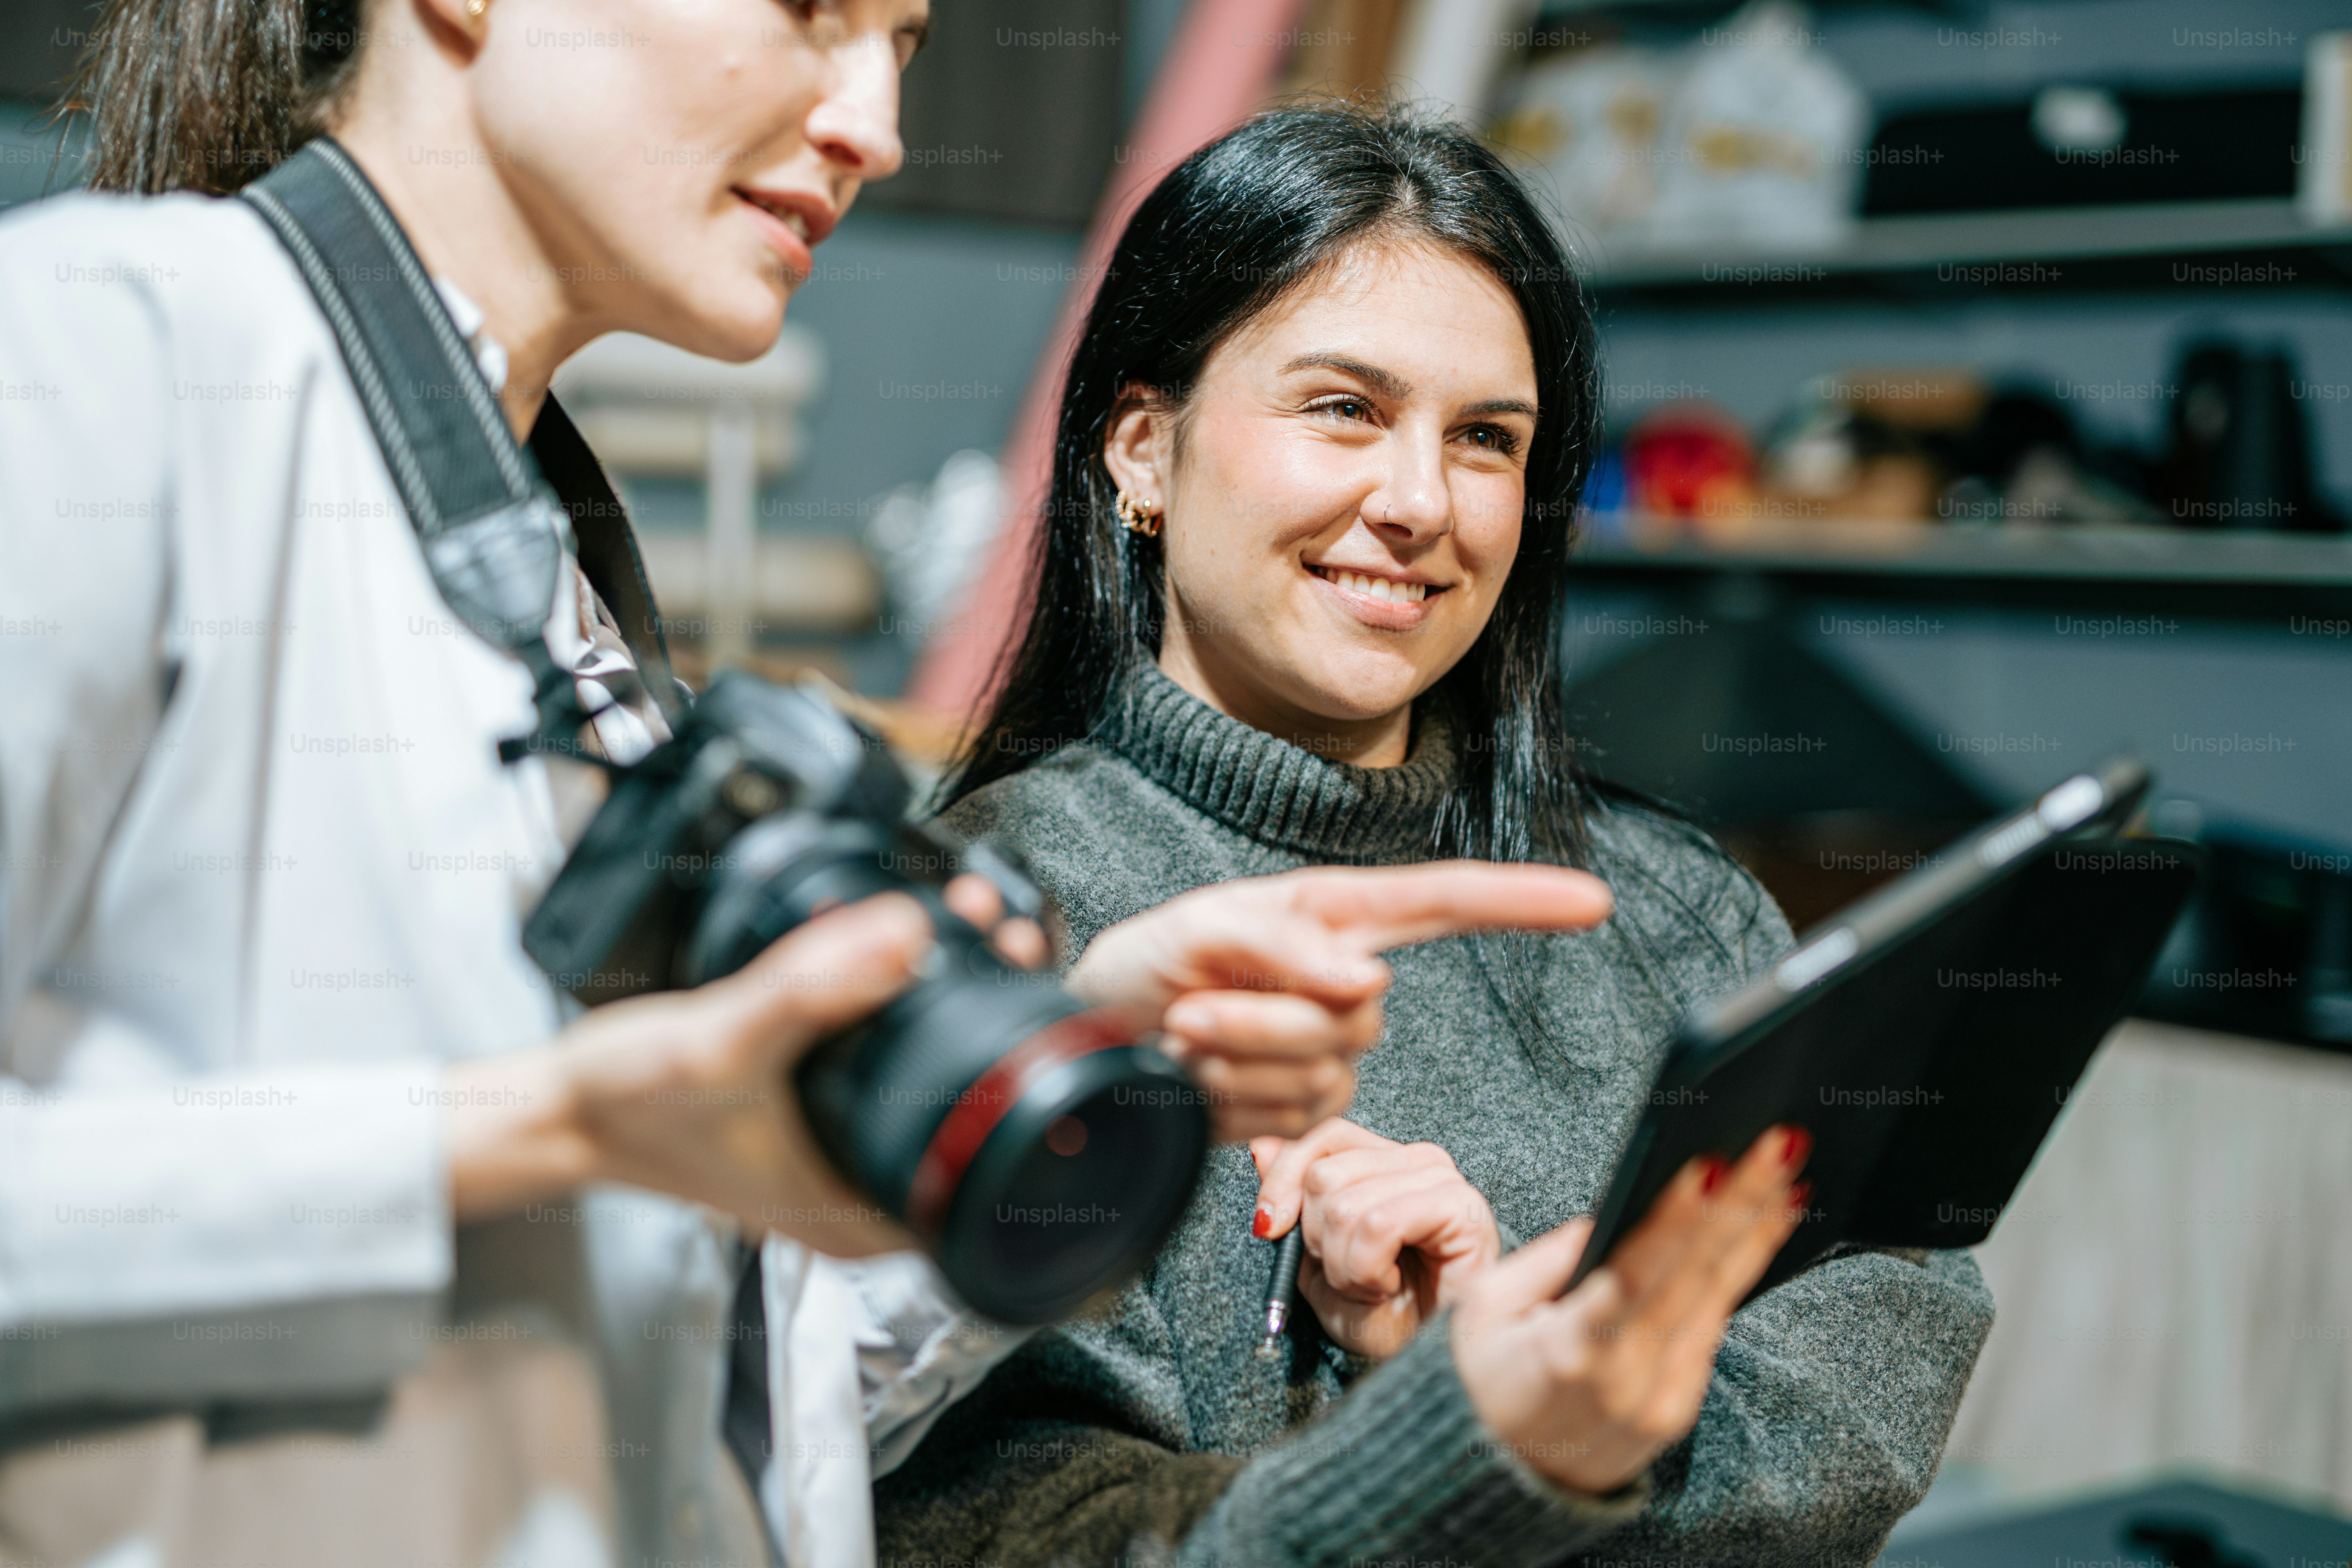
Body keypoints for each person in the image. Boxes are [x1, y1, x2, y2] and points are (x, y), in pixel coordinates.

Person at [0, 7, 1621, 1566]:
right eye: (807, 11)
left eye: (902, 42)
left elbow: (729, 1391)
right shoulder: (103, 357)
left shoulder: (559, 596)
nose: (877, 126)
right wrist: (550, 1128)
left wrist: (1091, 1064)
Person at [882, 103, 1997, 1568]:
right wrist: (1450, 1425)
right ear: (1142, 450)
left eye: (1487, 439)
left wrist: (1534, 1428)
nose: (1420, 504)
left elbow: (1882, 1322)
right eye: (1344, 407)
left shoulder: (1675, 909)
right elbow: (1003, 1526)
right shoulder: (972, 930)